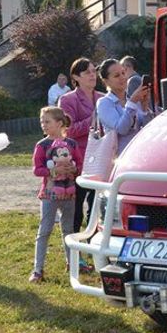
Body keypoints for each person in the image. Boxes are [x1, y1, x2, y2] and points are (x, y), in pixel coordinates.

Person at [30, 107, 81, 283]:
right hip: (49, 194)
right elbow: (37, 169)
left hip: (70, 194)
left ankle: (72, 263)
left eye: (47, 122)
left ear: (59, 123)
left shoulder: (72, 145)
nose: (43, 125)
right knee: (44, 231)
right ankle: (38, 269)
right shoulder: (42, 145)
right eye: (42, 122)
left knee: (69, 230)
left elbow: (80, 166)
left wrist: (74, 169)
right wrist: (53, 170)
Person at [59, 58, 102, 230]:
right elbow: (67, 130)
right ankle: (74, 251)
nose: (92, 75)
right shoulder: (67, 99)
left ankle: (94, 244)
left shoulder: (103, 98)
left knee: (96, 206)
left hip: (99, 158)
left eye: (94, 71)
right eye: (87, 73)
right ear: (76, 77)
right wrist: (92, 120)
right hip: (77, 160)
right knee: (76, 208)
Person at [97, 57, 155, 156]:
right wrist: (133, 102)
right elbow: (121, 129)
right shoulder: (104, 103)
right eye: (116, 75)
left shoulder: (131, 100)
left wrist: (145, 107)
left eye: (123, 73)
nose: (122, 78)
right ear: (106, 81)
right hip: (119, 159)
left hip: (139, 154)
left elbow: (148, 129)